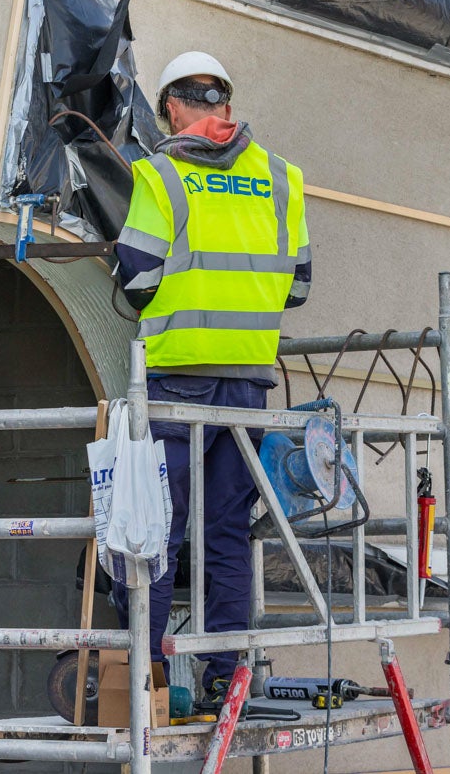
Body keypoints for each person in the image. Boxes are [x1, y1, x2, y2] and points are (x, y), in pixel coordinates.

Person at [112, 51, 312, 703]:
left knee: (155, 526)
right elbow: (298, 288)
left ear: (170, 107)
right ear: (224, 107)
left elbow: (137, 280)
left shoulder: (159, 175)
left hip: (179, 379)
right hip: (249, 385)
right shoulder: (282, 178)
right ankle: (227, 671)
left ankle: (147, 671)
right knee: (225, 529)